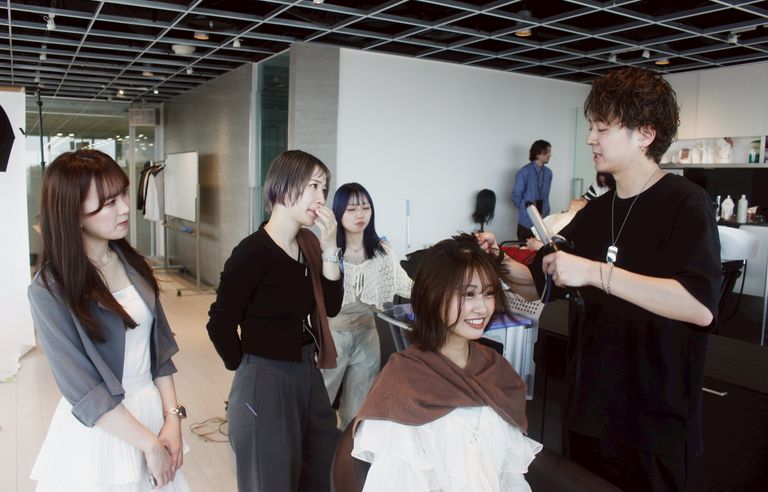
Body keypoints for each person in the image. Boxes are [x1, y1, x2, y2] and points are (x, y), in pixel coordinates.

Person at [478, 67, 721, 491]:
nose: (591, 138)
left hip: (654, 428)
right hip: (588, 414)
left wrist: (595, 273)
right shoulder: (594, 212)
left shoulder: (686, 203)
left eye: (603, 128)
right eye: (591, 127)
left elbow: (698, 306)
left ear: (645, 134)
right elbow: (538, 283)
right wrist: (496, 260)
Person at [28, 149, 189, 491]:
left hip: (151, 412)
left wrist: (172, 419)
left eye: (124, 194)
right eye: (109, 203)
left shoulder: (132, 262)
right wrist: (148, 444)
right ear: (74, 213)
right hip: (104, 430)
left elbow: (160, 352)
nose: (126, 208)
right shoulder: (50, 288)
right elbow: (84, 389)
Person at [352, 233, 541, 491]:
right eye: (468, 295)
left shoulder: (496, 368)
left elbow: (508, 478)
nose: (482, 308)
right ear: (434, 297)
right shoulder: (402, 381)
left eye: (488, 293)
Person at [206, 149, 343, 491]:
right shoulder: (253, 252)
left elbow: (331, 306)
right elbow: (220, 322)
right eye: (313, 186)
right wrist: (249, 368)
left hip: (307, 373)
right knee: (271, 480)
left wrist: (330, 247)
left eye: (324, 189)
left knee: (324, 470)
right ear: (283, 186)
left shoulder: (308, 245)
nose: (321, 198)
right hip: (265, 377)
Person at [320, 182, 412, 430]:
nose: (360, 215)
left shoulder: (382, 251)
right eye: (351, 209)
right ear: (339, 212)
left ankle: (348, 450)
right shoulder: (328, 250)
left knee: (359, 405)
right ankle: (315, 449)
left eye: (365, 207)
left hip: (366, 334)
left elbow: (406, 285)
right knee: (321, 400)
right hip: (332, 335)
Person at [512, 139, 552, 241]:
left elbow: (546, 195)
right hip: (526, 222)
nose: (550, 155)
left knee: (543, 249)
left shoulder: (549, 173)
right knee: (524, 249)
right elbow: (516, 195)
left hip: (544, 220)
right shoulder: (524, 172)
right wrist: (525, 209)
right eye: (547, 152)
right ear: (538, 153)